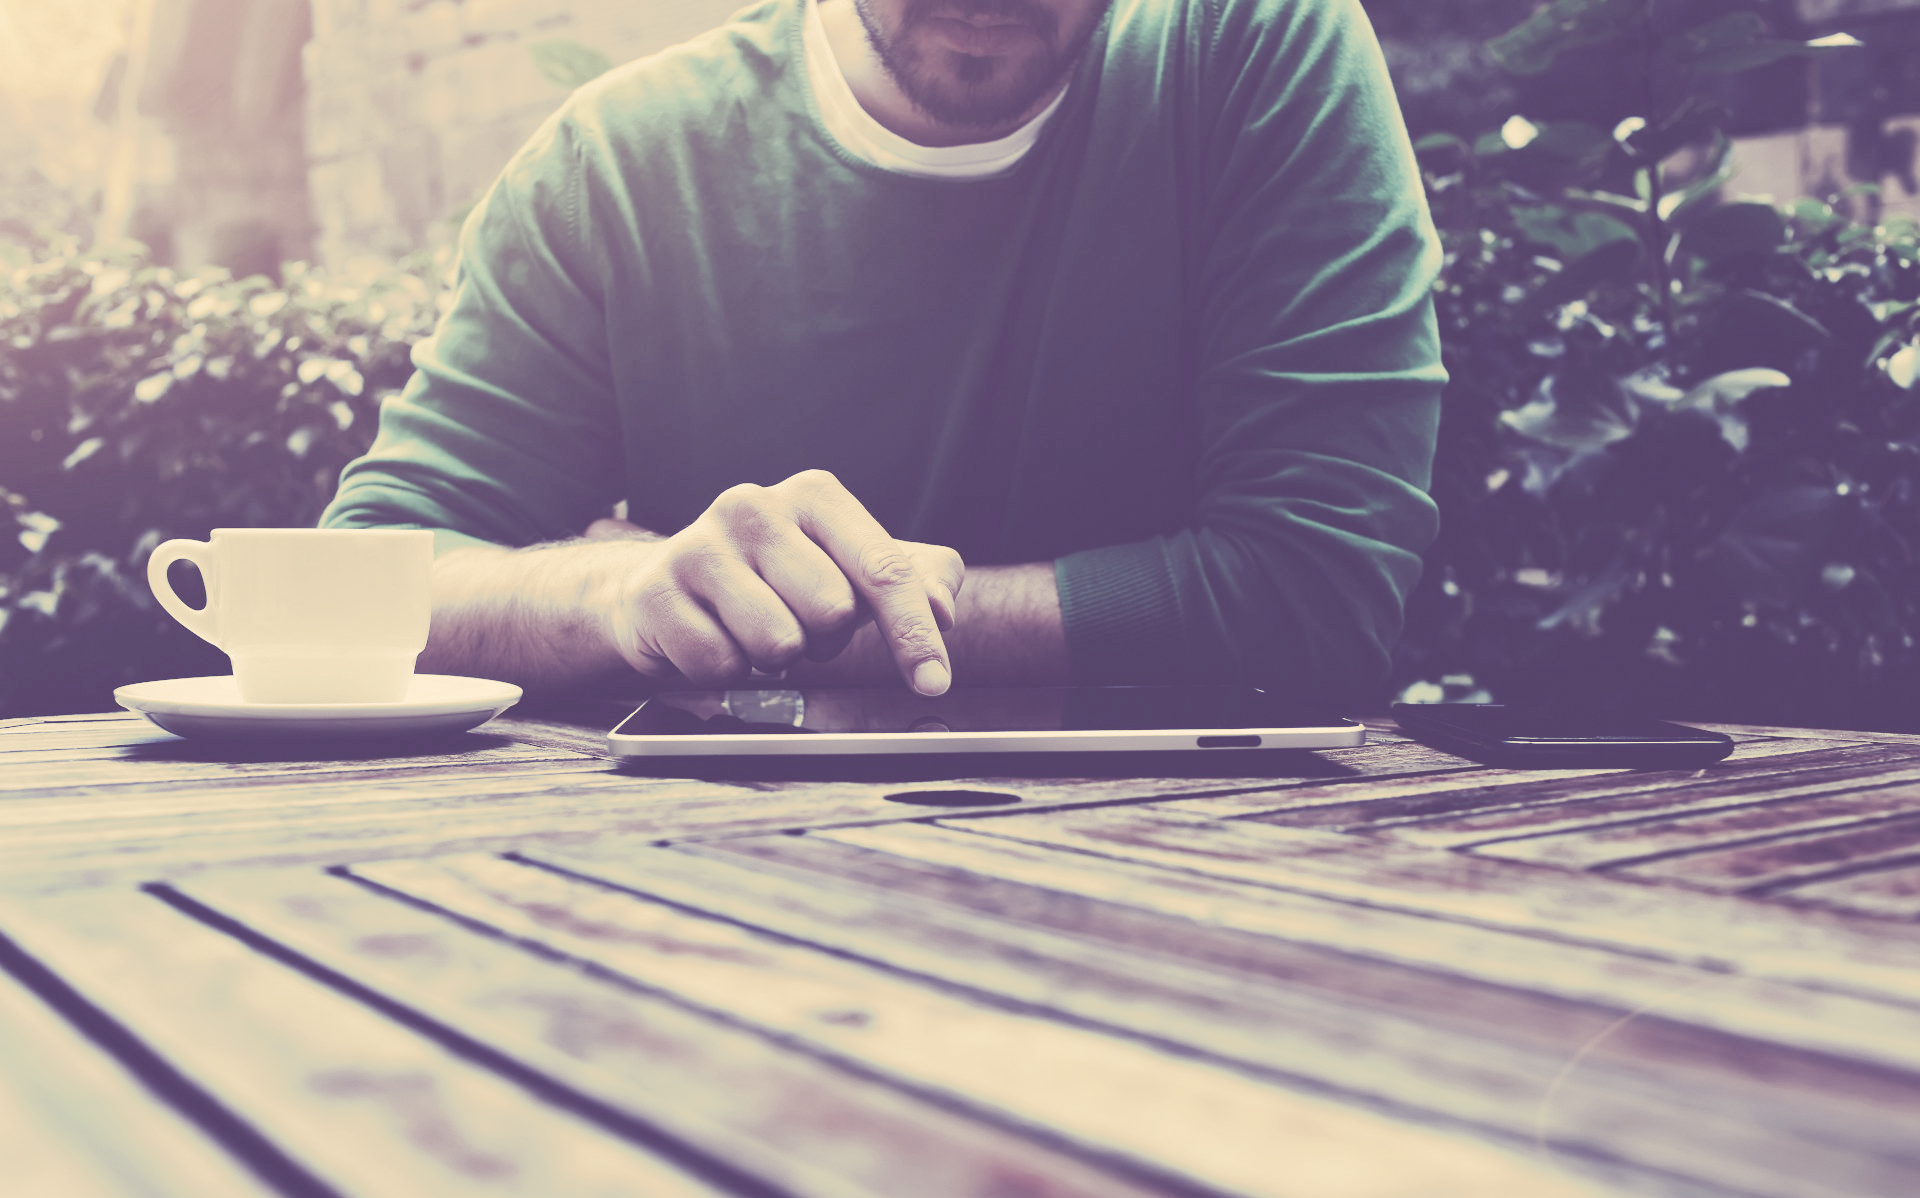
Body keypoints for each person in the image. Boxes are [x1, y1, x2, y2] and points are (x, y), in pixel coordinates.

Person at [320, 0, 1445, 704]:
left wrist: (780, 632)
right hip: (714, 900)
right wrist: (618, 590)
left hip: (1223, 878)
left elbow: (1319, 600)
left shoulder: (1253, 44)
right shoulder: (616, 162)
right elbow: (356, 591)